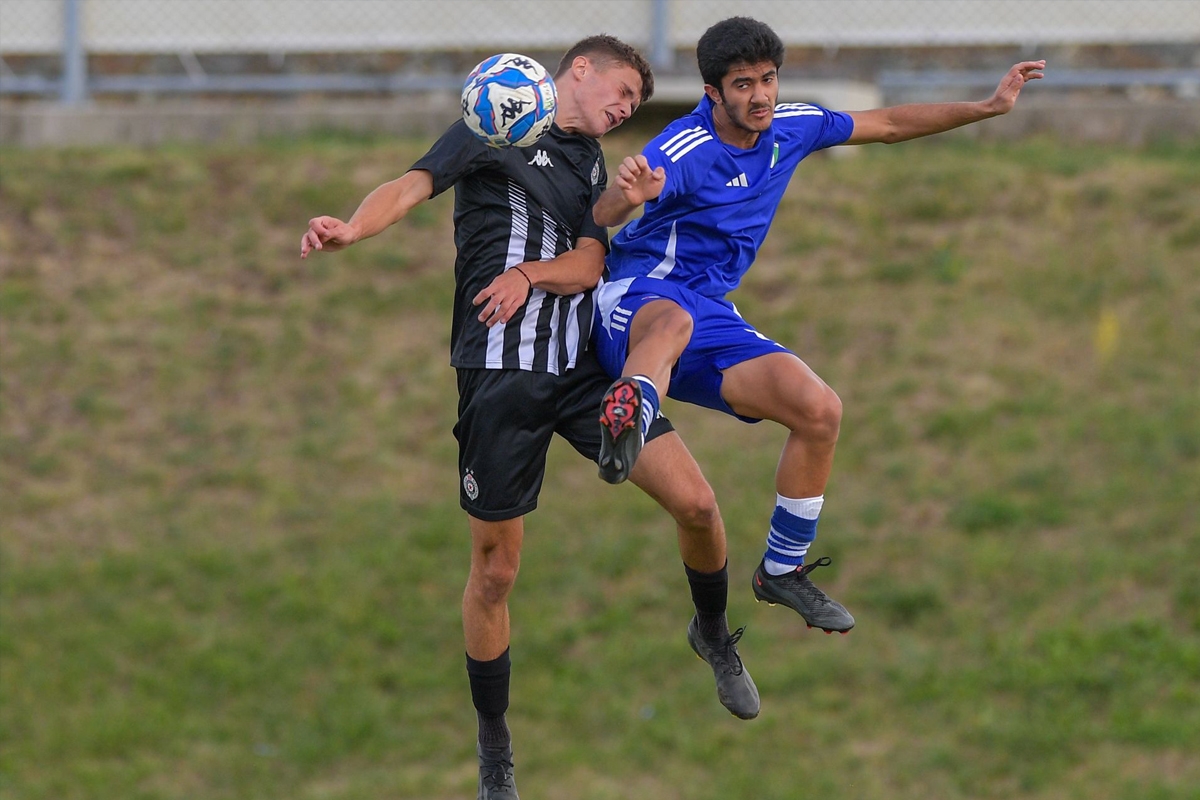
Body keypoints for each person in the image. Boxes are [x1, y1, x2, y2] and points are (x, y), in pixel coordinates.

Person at [300, 37, 758, 800]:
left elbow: (589, 265)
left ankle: (711, 633)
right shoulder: (494, 122)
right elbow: (411, 186)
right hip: (499, 376)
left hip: (581, 373)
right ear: (579, 70)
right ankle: (495, 751)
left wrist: (528, 274)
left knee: (700, 504)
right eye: (621, 92)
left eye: (635, 104)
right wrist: (351, 227)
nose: (625, 109)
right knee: (495, 571)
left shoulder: (591, 166)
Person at [592, 17, 1045, 636]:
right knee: (672, 318)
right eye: (743, 84)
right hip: (636, 296)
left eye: (768, 79)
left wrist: (987, 107)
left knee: (819, 408)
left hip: (708, 312)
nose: (761, 96)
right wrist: (630, 196)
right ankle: (630, 412)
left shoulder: (793, 126)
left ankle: (782, 569)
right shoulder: (686, 146)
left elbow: (888, 124)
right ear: (712, 92)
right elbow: (607, 210)